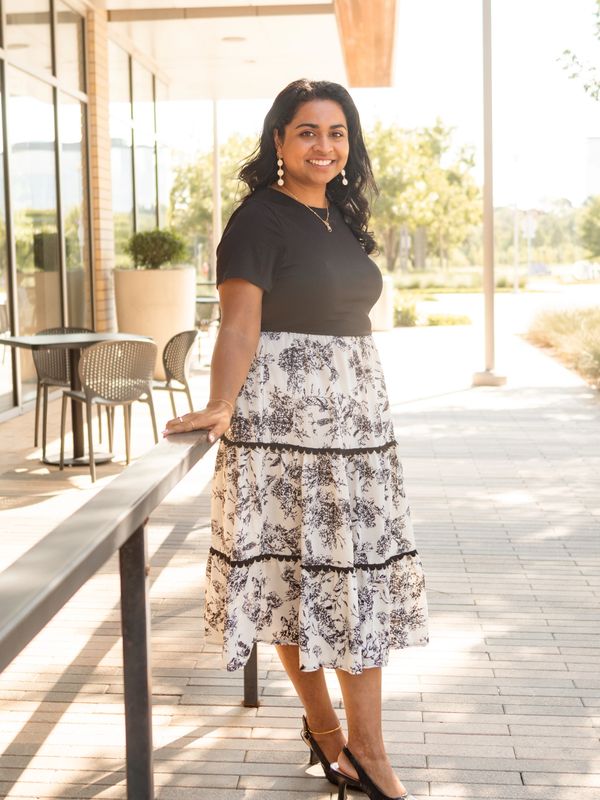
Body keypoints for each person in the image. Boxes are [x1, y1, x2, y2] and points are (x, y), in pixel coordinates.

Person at [164, 78, 428, 800]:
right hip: (285, 432)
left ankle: (338, 742)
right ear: (277, 140)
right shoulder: (259, 219)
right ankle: (360, 753)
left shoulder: (340, 215)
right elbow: (241, 324)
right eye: (308, 131)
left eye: (337, 132)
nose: (324, 145)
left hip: (356, 431)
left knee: (348, 590)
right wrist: (220, 402)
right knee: (295, 585)